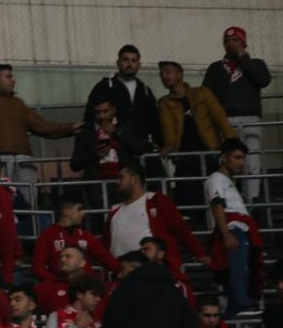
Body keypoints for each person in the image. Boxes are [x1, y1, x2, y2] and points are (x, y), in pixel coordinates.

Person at [0, 63, 81, 204]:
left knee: (27, 204)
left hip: (23, 162)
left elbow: (42, 126)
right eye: (8, 76)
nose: (13, 80)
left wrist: (70, 128)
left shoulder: (18, 103)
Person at [105, 160, 210, 279]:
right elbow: (106, 244)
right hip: (122, 276)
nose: (117, 182)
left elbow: (181, 229)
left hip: (154, 274)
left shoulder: (157, 200)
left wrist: (200, 254)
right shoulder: (114, 211)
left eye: (121, 177)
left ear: (135, 179)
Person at [202, 26, 271, 201]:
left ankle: (252, 201)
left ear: (244, 43)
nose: (230, 44)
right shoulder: (216, 68)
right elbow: (205, 94)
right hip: (225, 121)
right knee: (226, 162)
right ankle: (228, 201)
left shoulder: (256, 64)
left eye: (235, 40)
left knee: (252, 163)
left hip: (251, 120)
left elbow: (264, 80)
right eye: (227, 41)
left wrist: (243, 57)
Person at [157, 60, 235, 208]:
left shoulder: (202, 93)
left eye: (168, 72)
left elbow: (220, 119)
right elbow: (168, 129)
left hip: (210, 151)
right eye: (161, 74)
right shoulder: (164, 102)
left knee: (216, 194)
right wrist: (170, 145)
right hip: (185, 156)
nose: (164, 76)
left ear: (180, 74)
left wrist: (232, 143)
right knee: (189, 197)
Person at [206, 139, 258, 318]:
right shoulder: (216, 179)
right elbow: (217, 205)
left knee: (242, 270)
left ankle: (235, 314)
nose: (241, 162)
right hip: (233, 230)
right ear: (223, 157)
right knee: (238, 270)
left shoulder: (227, 180)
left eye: (243, 158)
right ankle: (242, 306)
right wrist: (226, 233)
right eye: (237, 157)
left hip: (239, 230)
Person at [82, 44, 159, 143]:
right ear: (118, 62)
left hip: (140, 144)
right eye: (125, 60)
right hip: (113, 145)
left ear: (139, 65)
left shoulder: (145, 90)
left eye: (134, 60)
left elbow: (154, 120)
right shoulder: (105, 87)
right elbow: (89, 117)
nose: (129, 64)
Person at [32, 196, 119, 283]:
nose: (83, 214)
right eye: (79, 209)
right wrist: (56, 282)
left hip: (86, 285)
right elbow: (37, 266)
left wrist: (122, 271)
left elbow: (105, 257)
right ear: (66, 211)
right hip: (60, 287)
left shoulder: (85, 235)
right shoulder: (48, 235)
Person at [71, 98, 147, 182]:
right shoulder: (85, 132)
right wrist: (95, 155)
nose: (102, 116)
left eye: (105, 111)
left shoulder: (125, 127)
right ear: (92, 112)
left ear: (113, 110)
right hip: (96, 182)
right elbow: (75, 165)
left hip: (125, 180)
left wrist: (116, 133)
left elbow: (140, 149)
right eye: (98, 112)